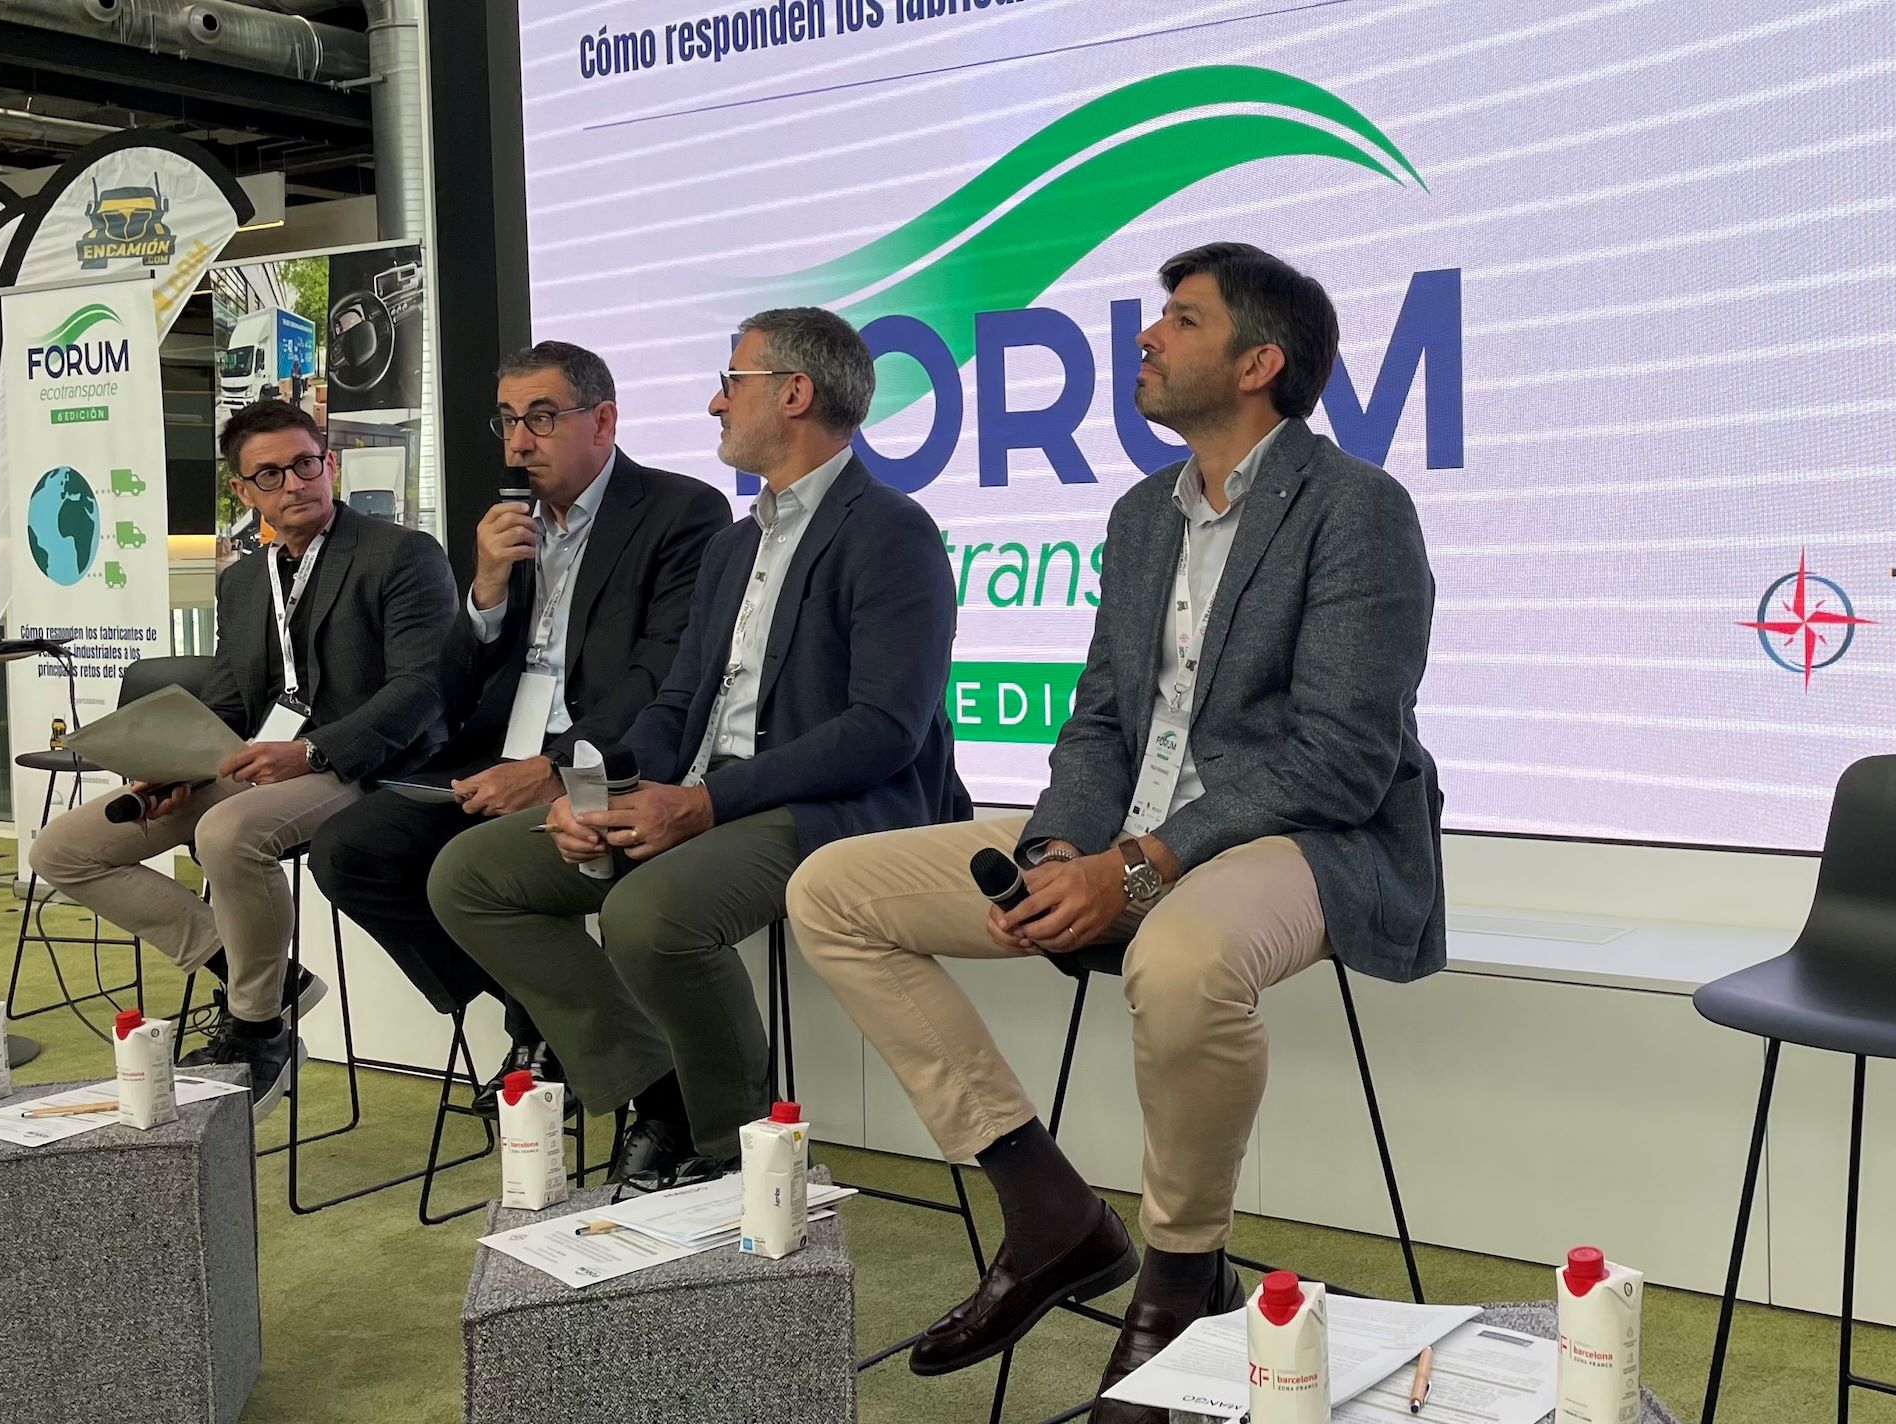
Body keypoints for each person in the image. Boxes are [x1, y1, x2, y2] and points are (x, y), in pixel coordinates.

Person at [786, 243, 1445, 1416]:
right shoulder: (1142, 514)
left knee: (1178, 957)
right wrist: (1057, 851)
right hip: (1131, 832)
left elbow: (1342, 756)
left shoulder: (1356, 508)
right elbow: (1099, 722)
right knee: (832, 889)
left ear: (1258, 362)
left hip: (1305, 837)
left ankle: (1182, 1273)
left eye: (1180, 319)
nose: (1145, 336)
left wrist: (1134, 868)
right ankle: (1045, 1204)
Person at [428, 307, 968, 1187]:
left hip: (832, 809)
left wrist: (706, 802)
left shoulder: (889, 531)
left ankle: (732, 1148)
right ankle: (658, 1090)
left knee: (650, 916)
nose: (716, 404)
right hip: (706, 794)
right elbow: (678, 704)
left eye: (731, 382)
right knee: (472, 875)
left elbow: (883, 730)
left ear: (794, 394)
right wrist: (589, 791)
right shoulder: (734, 544)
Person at [310, 341, 729, 1111]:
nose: (518, 442)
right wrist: (485, 591)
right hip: (495, 752)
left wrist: (556, 768)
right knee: (349, 852)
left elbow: (661, 674)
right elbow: (448, 691)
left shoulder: (681, 512)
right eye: (506, 420)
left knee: (473, 866)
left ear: (602, 421)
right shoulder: (509, 524)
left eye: (541, 417)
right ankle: (543, 1010)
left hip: (604, 761)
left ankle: (579, 1045)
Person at [30, 399, 456, 1118]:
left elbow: (421, 689)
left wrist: (313, 750)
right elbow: (228, 700)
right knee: (63, 849)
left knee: (226, 833)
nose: (295, 483)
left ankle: (258, 1030)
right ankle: (263, 974)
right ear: (243, 490)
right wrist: (175, 766)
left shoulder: (402, 554)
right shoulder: (243, 579)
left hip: (367, 764)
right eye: (271, 474)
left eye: (306, 463)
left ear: (329, 463)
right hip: (264, 763)